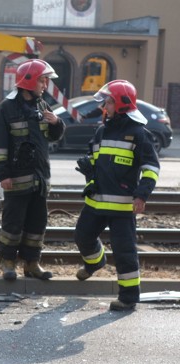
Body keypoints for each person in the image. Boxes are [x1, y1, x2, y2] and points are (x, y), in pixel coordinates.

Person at [74, 80, 160, 311]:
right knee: (82, 237)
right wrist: (88, 165)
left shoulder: (139, 134)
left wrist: (141, 196)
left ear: (121, 104)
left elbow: (151, 169)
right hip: (96, 202)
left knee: (125, 253)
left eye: (109, 102)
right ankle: (95, 263)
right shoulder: (103, 130)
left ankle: (129, 298)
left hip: (123, 208)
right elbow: (95, 157)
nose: (105, 106)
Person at [0, 59, 65, 281]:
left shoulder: (42, 105)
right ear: (30, 80)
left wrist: (57, 123)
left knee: (37, 223)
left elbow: (54, 137)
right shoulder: (7, 108)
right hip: (16, 178)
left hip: (39, 179)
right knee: (12, 223)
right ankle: (8, 263)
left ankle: (32, 264)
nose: (45, 85)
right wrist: (3, 174)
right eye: (43, 80)